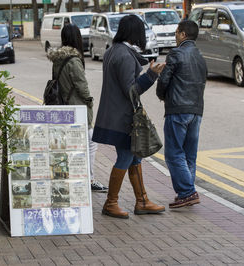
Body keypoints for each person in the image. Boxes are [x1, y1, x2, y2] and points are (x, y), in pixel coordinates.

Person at [92, 15, 166, 219]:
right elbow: (131, 90)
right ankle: (111, 202)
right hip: (122, 117)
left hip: (115, 114)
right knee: (126, 156)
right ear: (135, 33)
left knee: (135, 156)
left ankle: (142, 201)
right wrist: (151, 75)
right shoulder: (124, 55)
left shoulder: (113, 51)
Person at [47, 23, 108, 193]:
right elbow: (82, 86)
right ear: (77, 38)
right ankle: (89, 179)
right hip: (77, 109)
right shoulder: (74, 60)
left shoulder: (58, 59)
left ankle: (76, 177)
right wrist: (89, 101)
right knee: (91, 143)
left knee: (71, 145)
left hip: (62, 107)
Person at [156, 20, 207, 209]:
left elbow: (164, 80)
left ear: (183, 34)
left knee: (173, 153)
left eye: (177, 32)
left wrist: (162, 96)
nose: (175, 36)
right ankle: (186, 193)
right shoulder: (200, 56)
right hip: (196, 111)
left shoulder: (176, 53)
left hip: (177, 110)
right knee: (189, 155)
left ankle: (187, 192)